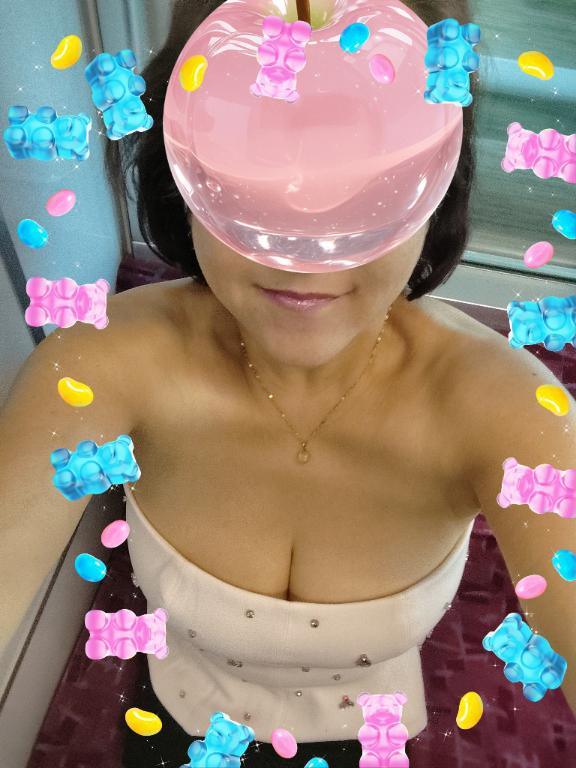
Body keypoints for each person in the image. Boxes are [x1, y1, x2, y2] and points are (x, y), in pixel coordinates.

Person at [0, 1, 574, 766]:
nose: (308, 246)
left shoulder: (507, 413)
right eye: (257, 158)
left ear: (438, 174)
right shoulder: (97, 367)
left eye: (366, 171)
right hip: (173, 716)